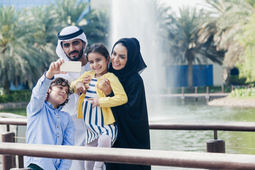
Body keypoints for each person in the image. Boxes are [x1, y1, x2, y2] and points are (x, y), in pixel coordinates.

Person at [70, 43, 128, 170]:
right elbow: (71, 86)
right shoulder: (88, 75)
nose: (95, 65)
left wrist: (101, 102)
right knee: (89, 153)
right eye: (91, 61)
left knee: (105, 140)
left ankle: (98, 167)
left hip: (105, 123)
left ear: (107, 59)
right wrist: (78, 83)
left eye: (98, 60)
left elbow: (123, 97)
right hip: (90, 123)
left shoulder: (111, 77)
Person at [105, 38, 151, 170]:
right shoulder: (109, 75)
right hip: (112, 138)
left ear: (130, 59)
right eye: (114, 53)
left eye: (122, 57)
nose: (115, 59)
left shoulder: (135, 81)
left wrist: (110, 95)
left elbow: (133, 114)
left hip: (131, 140)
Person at [25, 59, 75, 170]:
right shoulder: (37, 108)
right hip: (36, 165)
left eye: (66, 91)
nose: (64, 92)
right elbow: (38, 94)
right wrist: (50, 74)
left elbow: (68, 146)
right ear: (49, 90)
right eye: (60, 88)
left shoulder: (67, 119)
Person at [55, 25, 91, 170]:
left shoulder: (97, 65)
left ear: (83, 43)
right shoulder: (58, 70)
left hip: (95, 133)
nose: (72, 49)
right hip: (69, 136)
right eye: (67, 45)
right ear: (62, 47)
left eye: (75, 43)